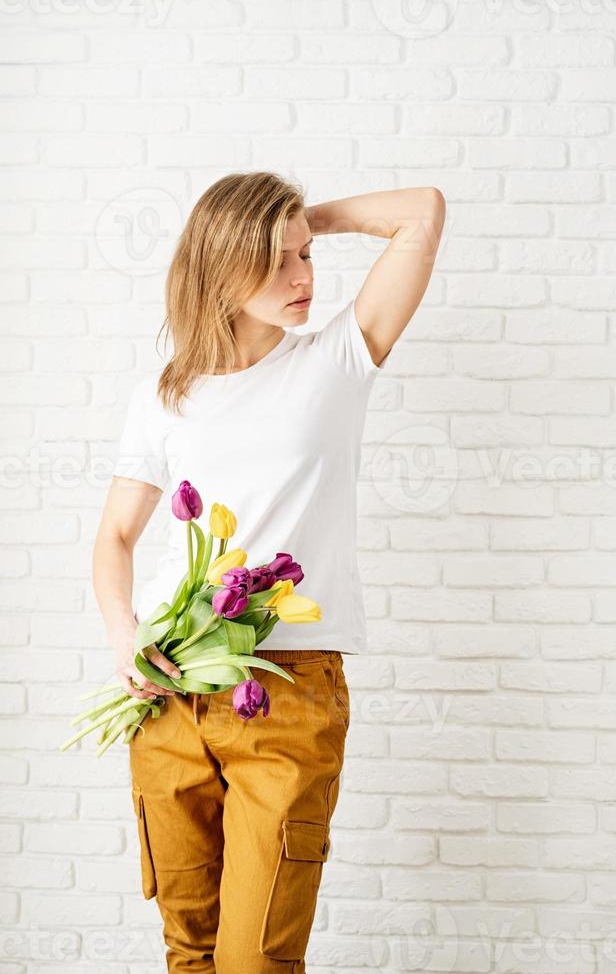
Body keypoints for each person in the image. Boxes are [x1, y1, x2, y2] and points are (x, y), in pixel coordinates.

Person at [92, 170, 446, 973]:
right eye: (279, 259)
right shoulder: (166, 393)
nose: (304, 277)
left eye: (306, 255)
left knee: (254, 962)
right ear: (221, 266)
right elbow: (114, 536)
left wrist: (293, 219)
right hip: (171, 693)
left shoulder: (338, 361)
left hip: (287, 694)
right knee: (189, 951)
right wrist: (125, 638)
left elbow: (422, 213)